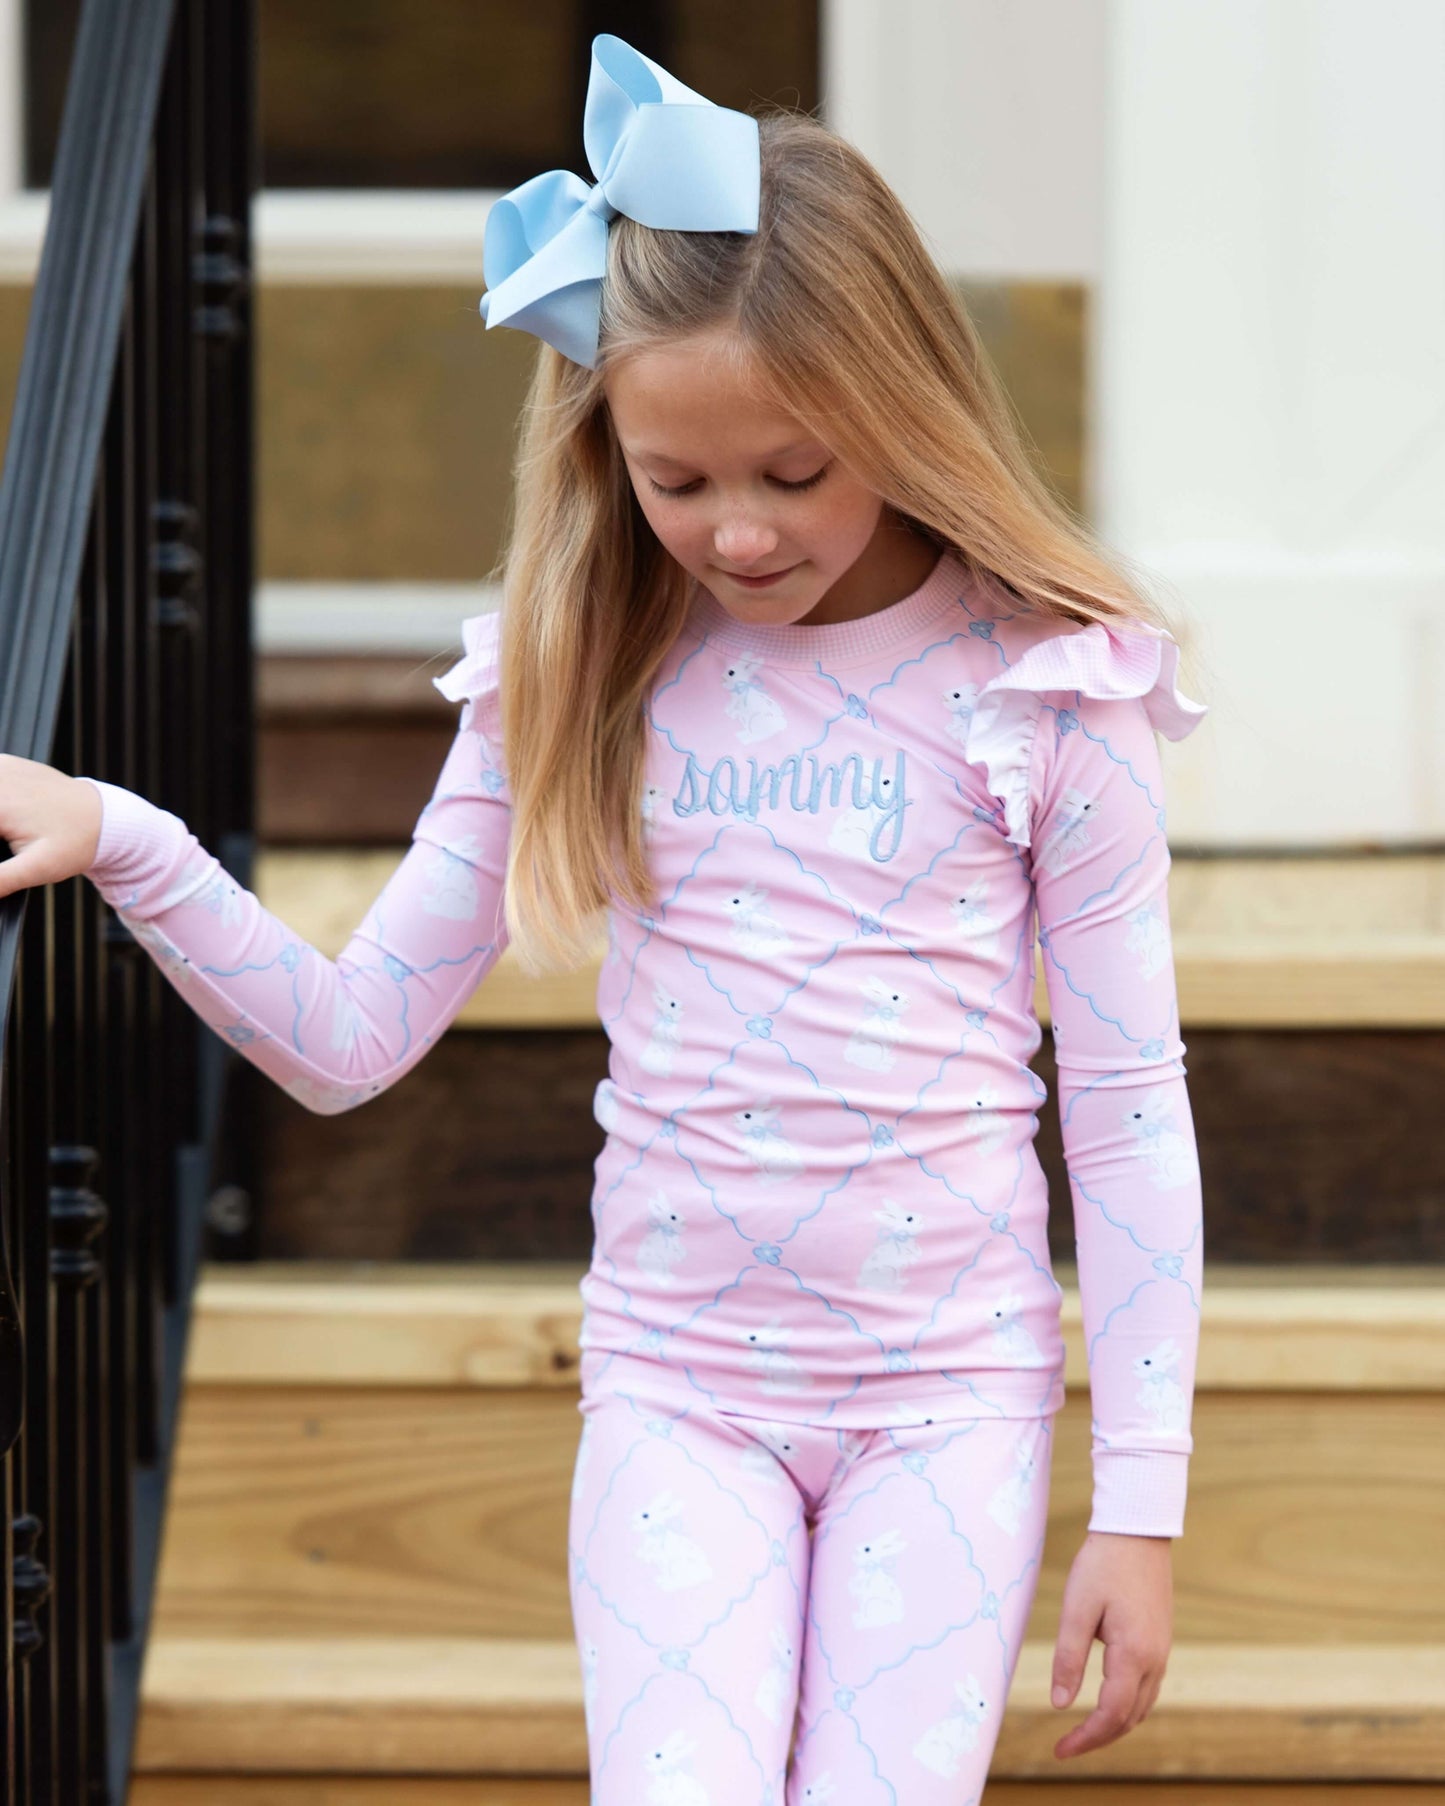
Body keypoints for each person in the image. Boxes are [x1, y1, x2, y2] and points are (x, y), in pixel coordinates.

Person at [0, 34, 1209, 1803]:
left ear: (901, 407)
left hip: (947, 1405)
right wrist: (127, 837)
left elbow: (1121, 1108)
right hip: (676, 1399)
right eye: (677, 478)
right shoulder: (575, 679)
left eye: (794, 472)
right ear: (607, 444)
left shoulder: (1041, 697)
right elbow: (349, 1043)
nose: (733, 532)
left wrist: (1143, 1503)